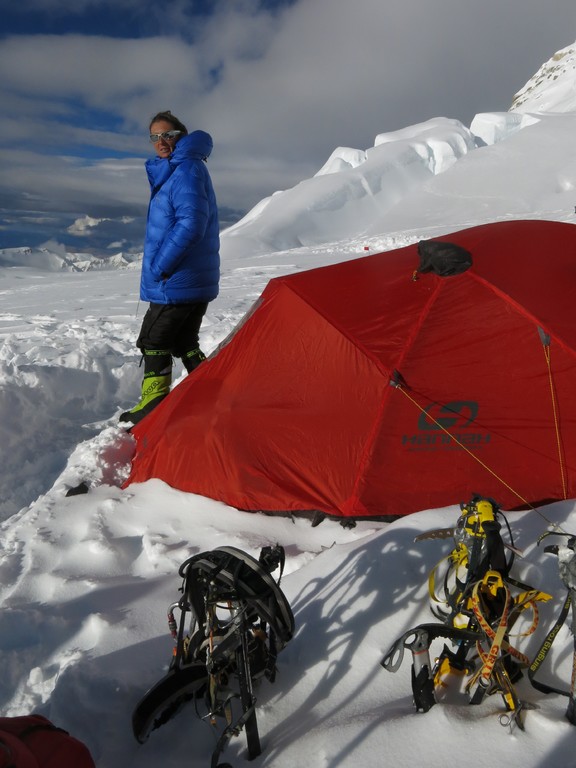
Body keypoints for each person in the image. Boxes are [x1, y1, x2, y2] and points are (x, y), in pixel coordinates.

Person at [120, 110, 220, 424]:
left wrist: (161, 266)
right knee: (184, 341)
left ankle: (154, 404)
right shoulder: (183, 167)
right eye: (155, 136)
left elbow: (191, 223)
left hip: (176, 280)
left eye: (168, 135)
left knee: (153, 339)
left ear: (181, 136)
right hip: (188, 278)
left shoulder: (186, 169)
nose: (161, 141)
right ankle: (210, 392)